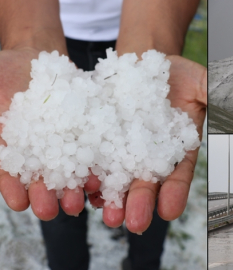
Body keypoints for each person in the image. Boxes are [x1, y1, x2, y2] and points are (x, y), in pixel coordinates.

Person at [0, 0, 207, 269]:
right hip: (50, 37)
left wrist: (155, 37)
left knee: (149, 193)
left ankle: (144, 263)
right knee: (59, 196)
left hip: (150, 28)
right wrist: (26, 37)